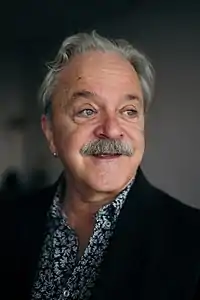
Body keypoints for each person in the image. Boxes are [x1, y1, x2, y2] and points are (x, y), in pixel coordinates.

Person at [1, 31, 200, 300]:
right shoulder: (8, 223)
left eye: (128, 111)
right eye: (88, 110)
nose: (112, 129)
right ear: (50, 133)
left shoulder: (192, 241)